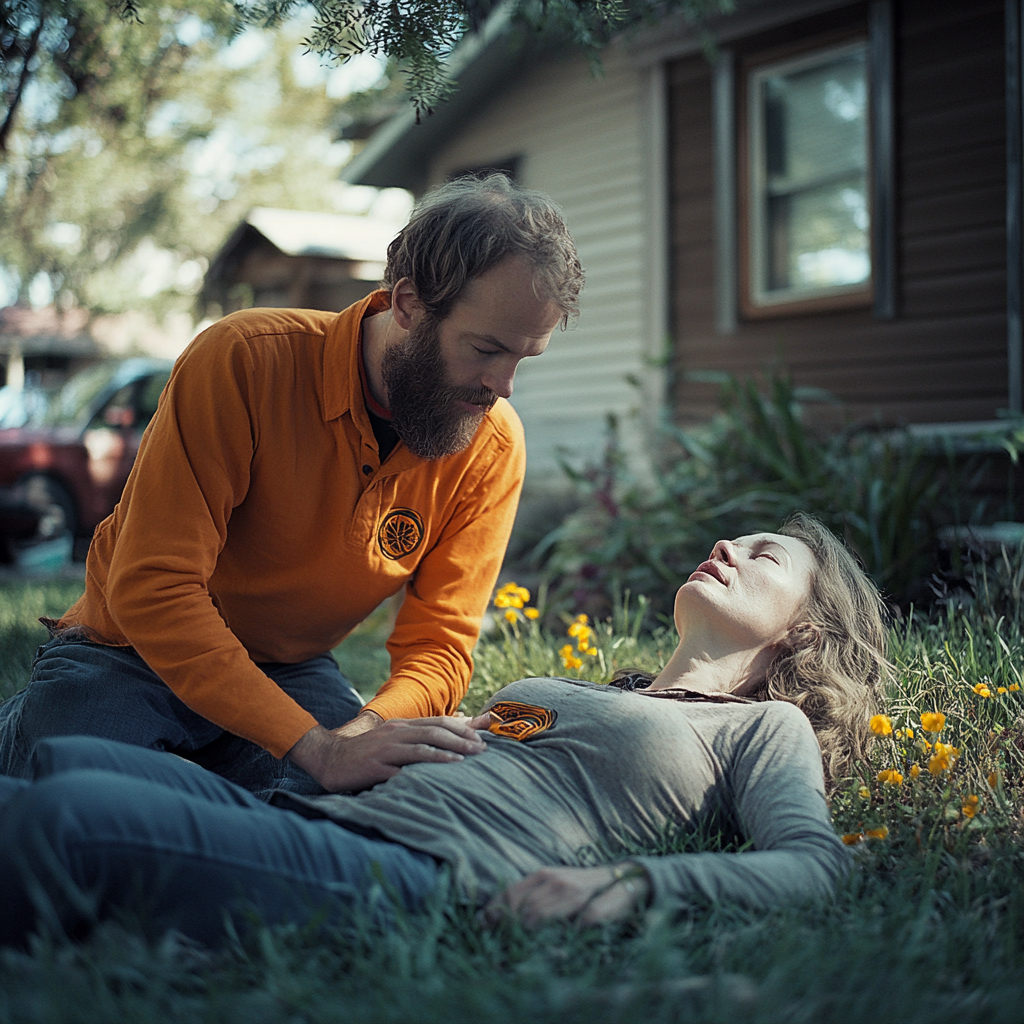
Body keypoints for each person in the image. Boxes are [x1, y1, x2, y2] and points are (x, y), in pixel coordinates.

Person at [0, 514, 891, 948]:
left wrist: (633, 886)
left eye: (764, 554)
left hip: (419, 877)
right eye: (735, 538)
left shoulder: (762, 728)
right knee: (59, 763)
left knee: (70, 816)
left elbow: (816, 865)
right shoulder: (593, 688)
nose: (730, 547)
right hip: (314, 817)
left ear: (804, 632)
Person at [0, 174, 584, 800]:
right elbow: (154, 587)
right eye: (487, 349)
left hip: (288, 670)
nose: (504, 385)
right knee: (78, 802)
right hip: (129, 652)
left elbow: (439, 646)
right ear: (409, 304)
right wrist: (316, 747)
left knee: (363, 809)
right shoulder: (244, 360)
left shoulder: (492, 444)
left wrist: (364, 733)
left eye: (525, 358)